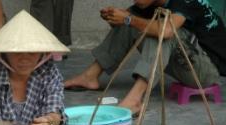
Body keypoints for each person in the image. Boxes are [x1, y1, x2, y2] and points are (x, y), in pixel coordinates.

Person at [64, 0, 226, 115]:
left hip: (206, 71)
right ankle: (90, 77)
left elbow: (167, 31)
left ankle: (135, 99)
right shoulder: (149, 5)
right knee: (133, 19)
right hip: (186, 63)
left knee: (159, 30)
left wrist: (129, 20)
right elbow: (131, 25)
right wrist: (116, 18)